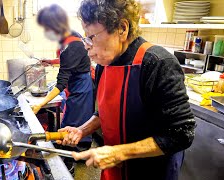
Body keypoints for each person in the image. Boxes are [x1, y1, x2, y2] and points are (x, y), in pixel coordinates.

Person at [56, 0, 196, 180]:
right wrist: (81, 130)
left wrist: (118, 153)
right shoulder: (104, 65)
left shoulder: (157, 63)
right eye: (85, 38)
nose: (86, 47)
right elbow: (105, 113)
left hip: (151, 173)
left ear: (122, 29)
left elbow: (182, 134)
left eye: (91, 37)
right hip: (114, 170)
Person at [32, 4, 94, 147]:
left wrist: (40, 104)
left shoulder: (72, 46)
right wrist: (52, 62)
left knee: (75, 124)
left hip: (81, 88)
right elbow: (71, 62)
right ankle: (70, 149)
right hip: (75, 83)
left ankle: (75, 155)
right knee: (70, 122)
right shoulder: (70, 36)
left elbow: (61, 83)